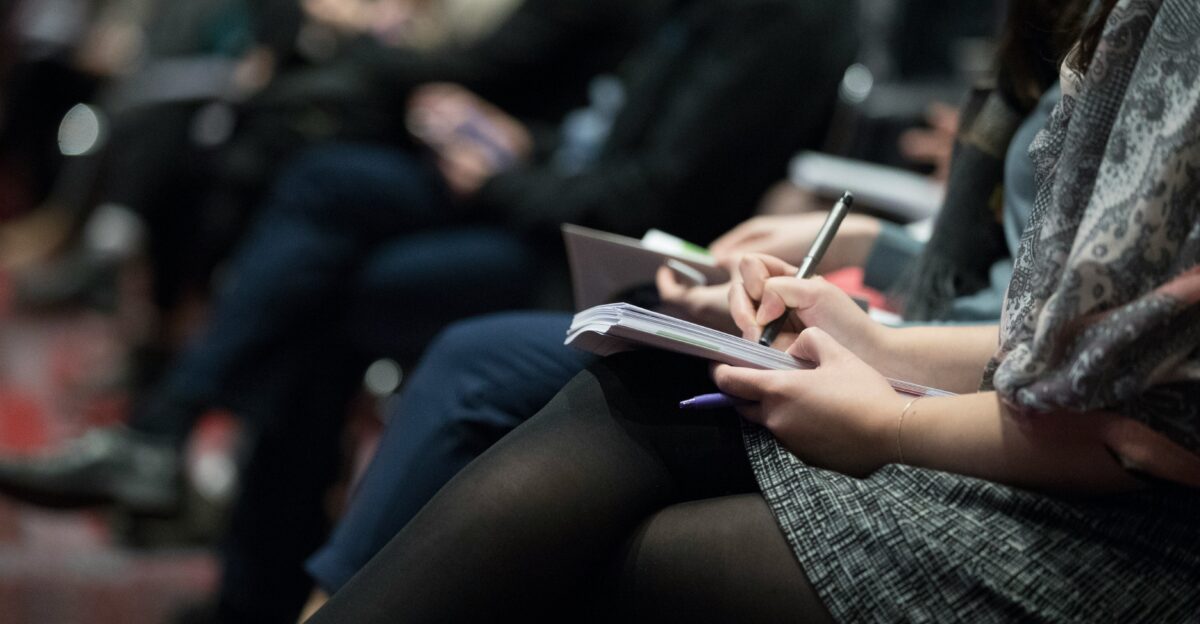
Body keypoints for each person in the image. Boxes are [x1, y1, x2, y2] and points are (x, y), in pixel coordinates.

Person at [307, 0, 1200, 620]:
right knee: (620, 381)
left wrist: (890, 409)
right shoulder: (1108, 31)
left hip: (1122, 534)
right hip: (1000, 398)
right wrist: (862, 328)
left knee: (577, 528)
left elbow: (1131, 421)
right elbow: (1052, 341)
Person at [0, 1, 859, 621]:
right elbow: (596, 125)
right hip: (550, 201)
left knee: (326, 294)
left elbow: (649, 194)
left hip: (613, 263)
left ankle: (250, 551)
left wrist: (503, 174)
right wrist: (517, 144)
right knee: (320, 188)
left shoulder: (784, 22)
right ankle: (219, 518)